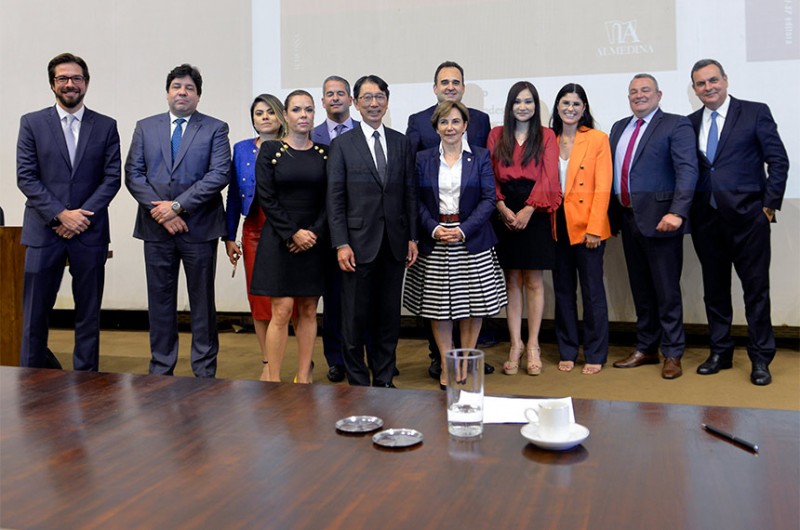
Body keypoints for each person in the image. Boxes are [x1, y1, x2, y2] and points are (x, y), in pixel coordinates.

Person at [16, 52, 121, 371]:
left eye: (76, 78)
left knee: (88, 314)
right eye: (62, 78)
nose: (70, 84)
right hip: (43, 230)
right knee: (34, 315)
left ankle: (86, 381)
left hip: (89, 233)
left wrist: (80, 216)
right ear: (52, 84)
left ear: (86, 83)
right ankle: (30, 380)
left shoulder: (105, 126)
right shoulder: (32, 122)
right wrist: (61, 214)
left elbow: (112, 177)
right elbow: (26, 176)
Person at [688, 59, 789, 386]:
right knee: (714, 293)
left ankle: (761, 358)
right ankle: (721, 352)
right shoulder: (688, 124)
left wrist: (768, 207)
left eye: (713, 80)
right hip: (707, 221)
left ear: (725, 80)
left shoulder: (755, 112)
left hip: (749, 220)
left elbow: (779, 161)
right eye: (701, 84)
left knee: (756, 292)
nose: (708, 87)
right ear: (694, 89)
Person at [125, 63, 230, 378]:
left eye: (189, 88)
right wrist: (162, 213)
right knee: (159, 301)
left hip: (199, 227)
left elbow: (219, 174)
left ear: (198, 96)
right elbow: (133, 173)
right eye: (177, 87)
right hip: (156, 229)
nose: (182, 92)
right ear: (167, 92)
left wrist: (178, 207)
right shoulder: (146, 126)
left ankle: (204, 369)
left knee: (202, 303)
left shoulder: (215, 127)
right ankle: (160, 367)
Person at [403, 101, 507, 389]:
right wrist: (435, 228)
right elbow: (415, 200)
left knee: (472, 307)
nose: (450, 127)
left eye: (456, 122)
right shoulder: (423, 158)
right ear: (436, 127)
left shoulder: (482, 157)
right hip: (435, 238)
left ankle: (465, 361)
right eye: (444, 122)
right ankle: (449, 364)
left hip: (471, 238)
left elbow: (489, 199)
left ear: (465, 126)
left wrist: (463, 230)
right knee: (440, 308)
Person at [327, 74, 418, 388]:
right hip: (356, 245)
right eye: (366, 97)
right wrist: (340, 242)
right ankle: (357, 381)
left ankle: (383, 378)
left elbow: (409, 194)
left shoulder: (400, 142)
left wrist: (412, 237)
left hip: (394, 243)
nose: (373, 103)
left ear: (387, 102)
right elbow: (335, 199)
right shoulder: (341, 145)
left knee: (388, 317)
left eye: (379, 97)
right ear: (355, 103)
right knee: (354, 318)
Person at [609, 73, 698, 380]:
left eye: (645, 90)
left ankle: (673, 352)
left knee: (666, 290)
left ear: (659, 95)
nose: (639, 95)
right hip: (629, 219)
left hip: (663, 221)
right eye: (633, 91)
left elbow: (687, 171)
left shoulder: (676, 124)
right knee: (641, 289)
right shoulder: (619, 127)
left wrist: (677, 212)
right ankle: (646, 348)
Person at [250, 90, 328, 384]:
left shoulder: (325, 153)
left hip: (314, 242)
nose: (304, 115)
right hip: (281, 240)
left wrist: (314, 233)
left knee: (309, 309)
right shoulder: (270, 151)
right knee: (281, 311)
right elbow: (267, 199)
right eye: (297, 110)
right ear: (286, 115)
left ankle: (303, 376)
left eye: (308, 110)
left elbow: (329, 200)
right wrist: (293, 233)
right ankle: (272, 377)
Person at [488, 81, 561, 377]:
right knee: (511, 280)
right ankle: (514, 344)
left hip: (537, 210)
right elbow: (488, 174)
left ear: (536, 105)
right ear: (510, 105)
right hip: (504, 209)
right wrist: (502, 207)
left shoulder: (546, 135)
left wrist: (530, 208)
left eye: (529, 101)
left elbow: (549, 176)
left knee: (533, 280)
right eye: (518, 101)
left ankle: (533, 345)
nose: (523, 106)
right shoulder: (496, 135)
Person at [550, 84, 612, 375]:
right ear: (558, 106)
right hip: (555, 225)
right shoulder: (550, 138)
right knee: (563, 291)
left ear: (584, 108)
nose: (570, 108)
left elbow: (603, 188)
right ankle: (567, 349)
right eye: (565, 103)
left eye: (576, 103)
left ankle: (596, 352)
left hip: (588, 226)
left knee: (592, 292)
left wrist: (595, 228)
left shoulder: (598, 139)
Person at [224, 94, 287, 381]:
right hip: (253, 230)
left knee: (290, 301)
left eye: (270, 112)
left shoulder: (294, 145)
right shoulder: (242, 149)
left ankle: (301, 362)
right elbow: (234, 198)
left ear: (281, 116)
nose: (264, 117)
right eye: (259, 113)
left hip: (286, 230)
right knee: (259, 297)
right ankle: (267, 361)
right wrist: (229, 236)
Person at [312, 75, 360, 383]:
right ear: (323, 101)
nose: (335, 98)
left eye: (341, 93)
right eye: (330, 94)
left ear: (351, 99)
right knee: (333, 300)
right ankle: (336, 359)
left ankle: (364, 355)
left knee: (362, 299)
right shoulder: (310, 134)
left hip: (362, 228)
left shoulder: (364, 132)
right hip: (325, 230)